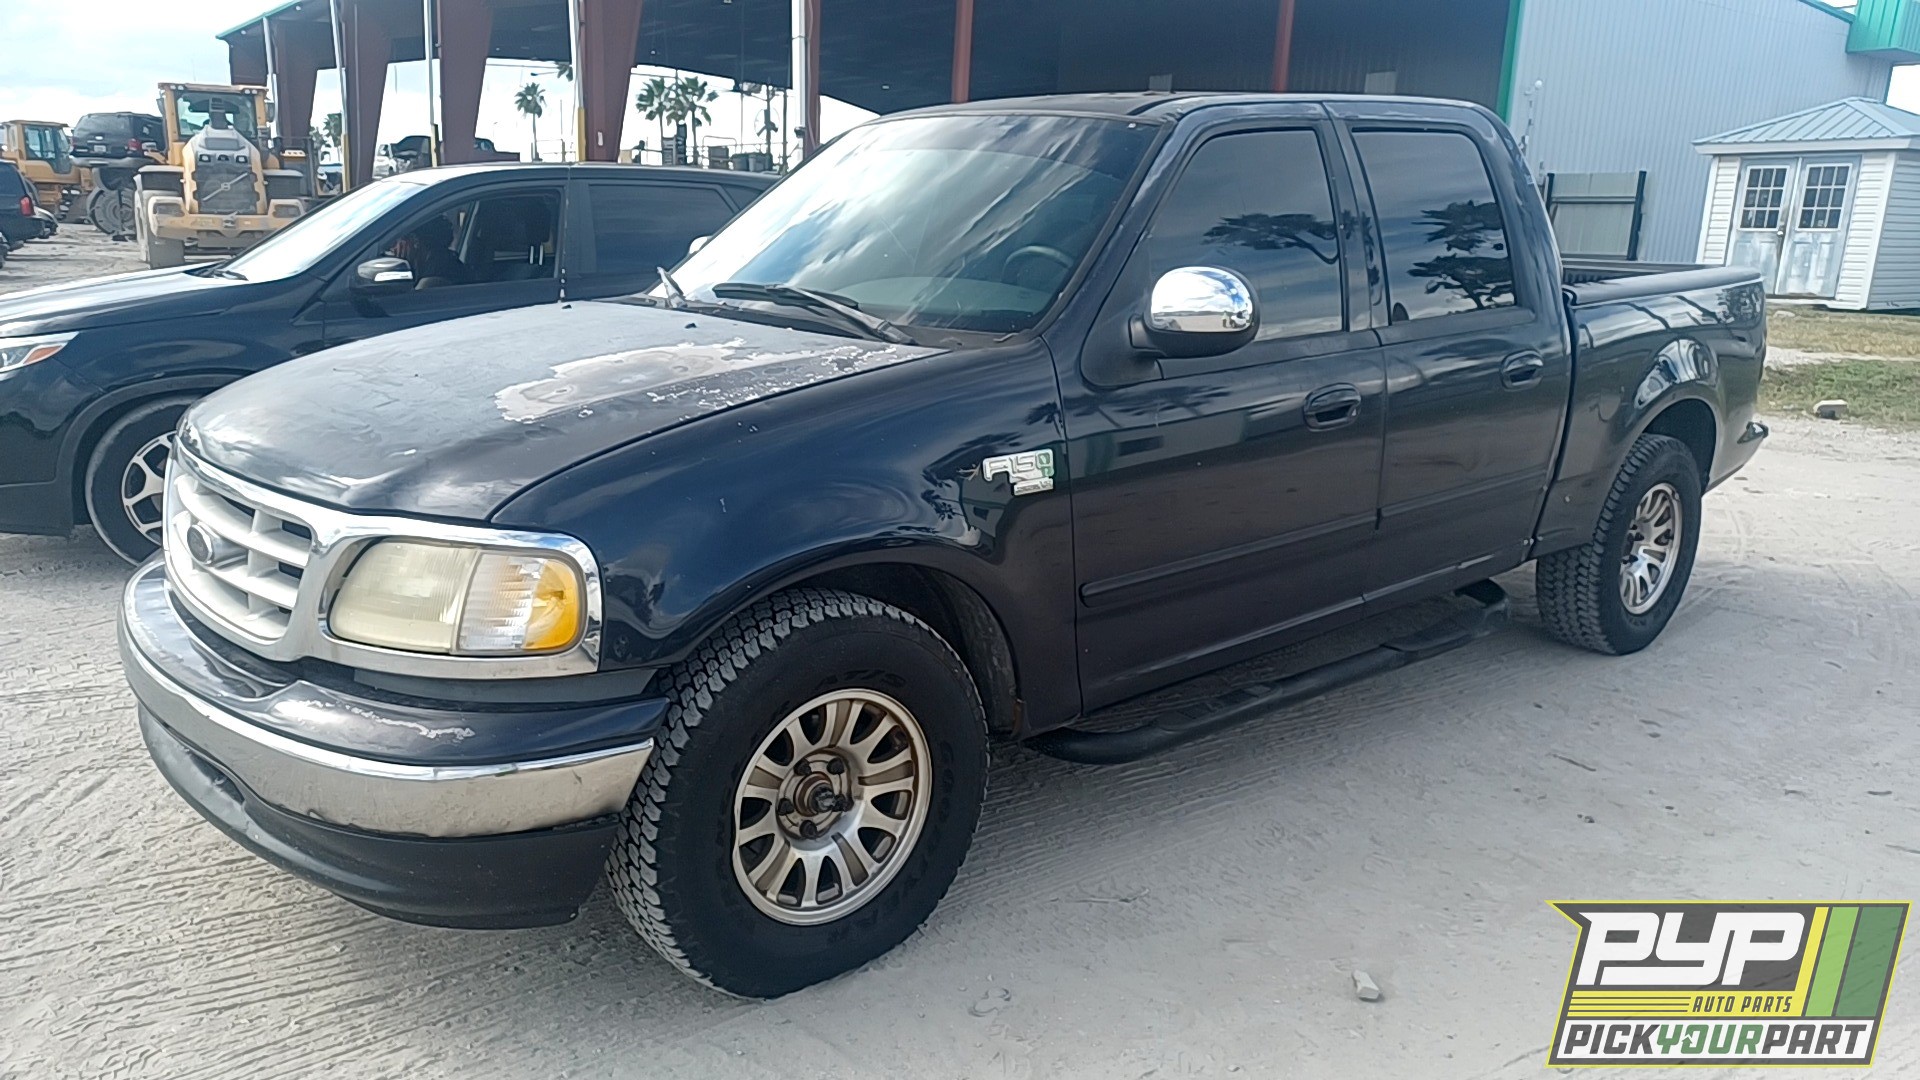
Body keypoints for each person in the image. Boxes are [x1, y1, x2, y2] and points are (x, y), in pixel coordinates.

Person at [390, 214, 464, 287]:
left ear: (415, 241)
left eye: (396, 242)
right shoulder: (449, 263)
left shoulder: (430, 281)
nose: (393, 249)